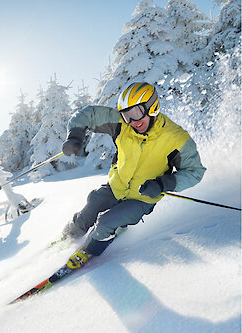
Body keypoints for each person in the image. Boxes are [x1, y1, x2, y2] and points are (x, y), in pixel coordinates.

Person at [61, 82, 206, 269]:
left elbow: (195, 172)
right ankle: (70, 236)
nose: (133, 121)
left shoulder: (177, 138)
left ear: (152, 106)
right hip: (116, 187)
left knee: (105, 223)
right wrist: (75, 135)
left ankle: (89, 251)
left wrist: (163, 184)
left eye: (137, 113)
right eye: (127, 115)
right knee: (92, 205)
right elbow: (88, 114)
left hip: (142, 198)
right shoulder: (122, 124)